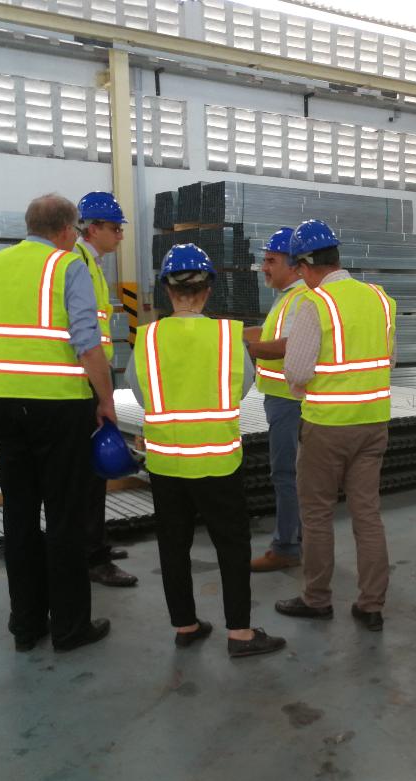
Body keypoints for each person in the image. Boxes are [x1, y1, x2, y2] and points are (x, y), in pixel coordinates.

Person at [0, 193, 113, 652]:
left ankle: (26, 624)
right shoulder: (68, 267)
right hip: (61, 408)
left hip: (4, 404)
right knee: (64, 515)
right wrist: (104, 399)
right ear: (67, 230)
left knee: (19, 513)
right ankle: (70, 628)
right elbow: (87, 343)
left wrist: (8, 359)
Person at [125, 244, 286, 657]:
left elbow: (141, 393)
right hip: (218, 460)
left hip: (166, 462)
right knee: (231, 544)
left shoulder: (146, 339)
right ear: (209, 288)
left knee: (173, 545)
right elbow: (244, 386)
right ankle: (240, 634)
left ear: (166, 288)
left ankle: (186, 625)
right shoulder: (229, 337)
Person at [273, 220, 397, 632]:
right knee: (367, 515)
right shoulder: (380, 300)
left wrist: (298, 387)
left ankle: (317, 599)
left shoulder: (316, 304)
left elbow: (297, 368)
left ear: (307, 264)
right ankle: (371, 605)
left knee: (317, 514)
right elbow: (390, 362)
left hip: (326, 425)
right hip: (374, 423)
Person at [74, 191, 138, 588]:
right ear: (92, 228)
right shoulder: (78, 265)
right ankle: (93, 557)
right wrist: (104, 396)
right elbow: (85, 337)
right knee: (87, 475)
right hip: (82, 384)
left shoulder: (91, 264)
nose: (120, 236)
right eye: (115, 228)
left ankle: (96, 542)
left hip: (90, 378)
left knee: (94, 474)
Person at [243, 228, 306, 572]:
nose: (263, 267)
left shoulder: (298, 299)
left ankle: (286, 547)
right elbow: (269, 334)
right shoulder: (287, 298)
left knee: (285, 474)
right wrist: (229, 334)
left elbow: (286, 345)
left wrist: (243, 348)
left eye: (271, 260)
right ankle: (299, 539)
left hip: (288, 400)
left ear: (295, 266)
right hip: (284, 399)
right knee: (296, 475)